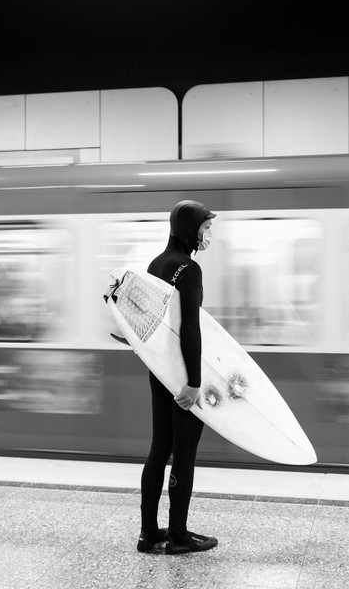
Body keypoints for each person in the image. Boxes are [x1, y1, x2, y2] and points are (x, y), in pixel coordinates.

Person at [137, 200, 219, 555]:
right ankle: (179, 536)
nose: (208, 234)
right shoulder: (189, 268)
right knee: (184, 454)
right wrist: (195, 382)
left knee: (159, 450)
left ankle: (149, 533)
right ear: (190, 228)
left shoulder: (156, 264)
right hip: (182, 374)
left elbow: (149, 324)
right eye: (205, 227)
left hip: (159, 370)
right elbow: (189, 327)